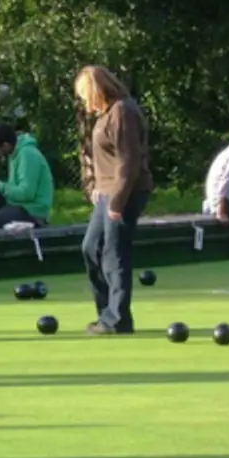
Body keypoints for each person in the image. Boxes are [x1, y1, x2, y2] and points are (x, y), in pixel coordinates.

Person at [74, 65, 152, 335]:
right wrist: (97, 185)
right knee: (91, 247)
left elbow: (128, 161)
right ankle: (106, 312)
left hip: (125, 191)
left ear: (96, 90)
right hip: (107, 191)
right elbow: (104, 158)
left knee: (114, 251)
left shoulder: (122, 112)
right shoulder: (107, 113)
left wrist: (117, 200)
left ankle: (118, 318)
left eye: (85, 95)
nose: (84, 101)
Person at [0, 122, 53, 230]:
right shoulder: (14, 154)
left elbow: (26, 194)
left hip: (31, 212)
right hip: (16, 204)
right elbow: (14, 188)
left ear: (5, 145)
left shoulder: (27, 155)